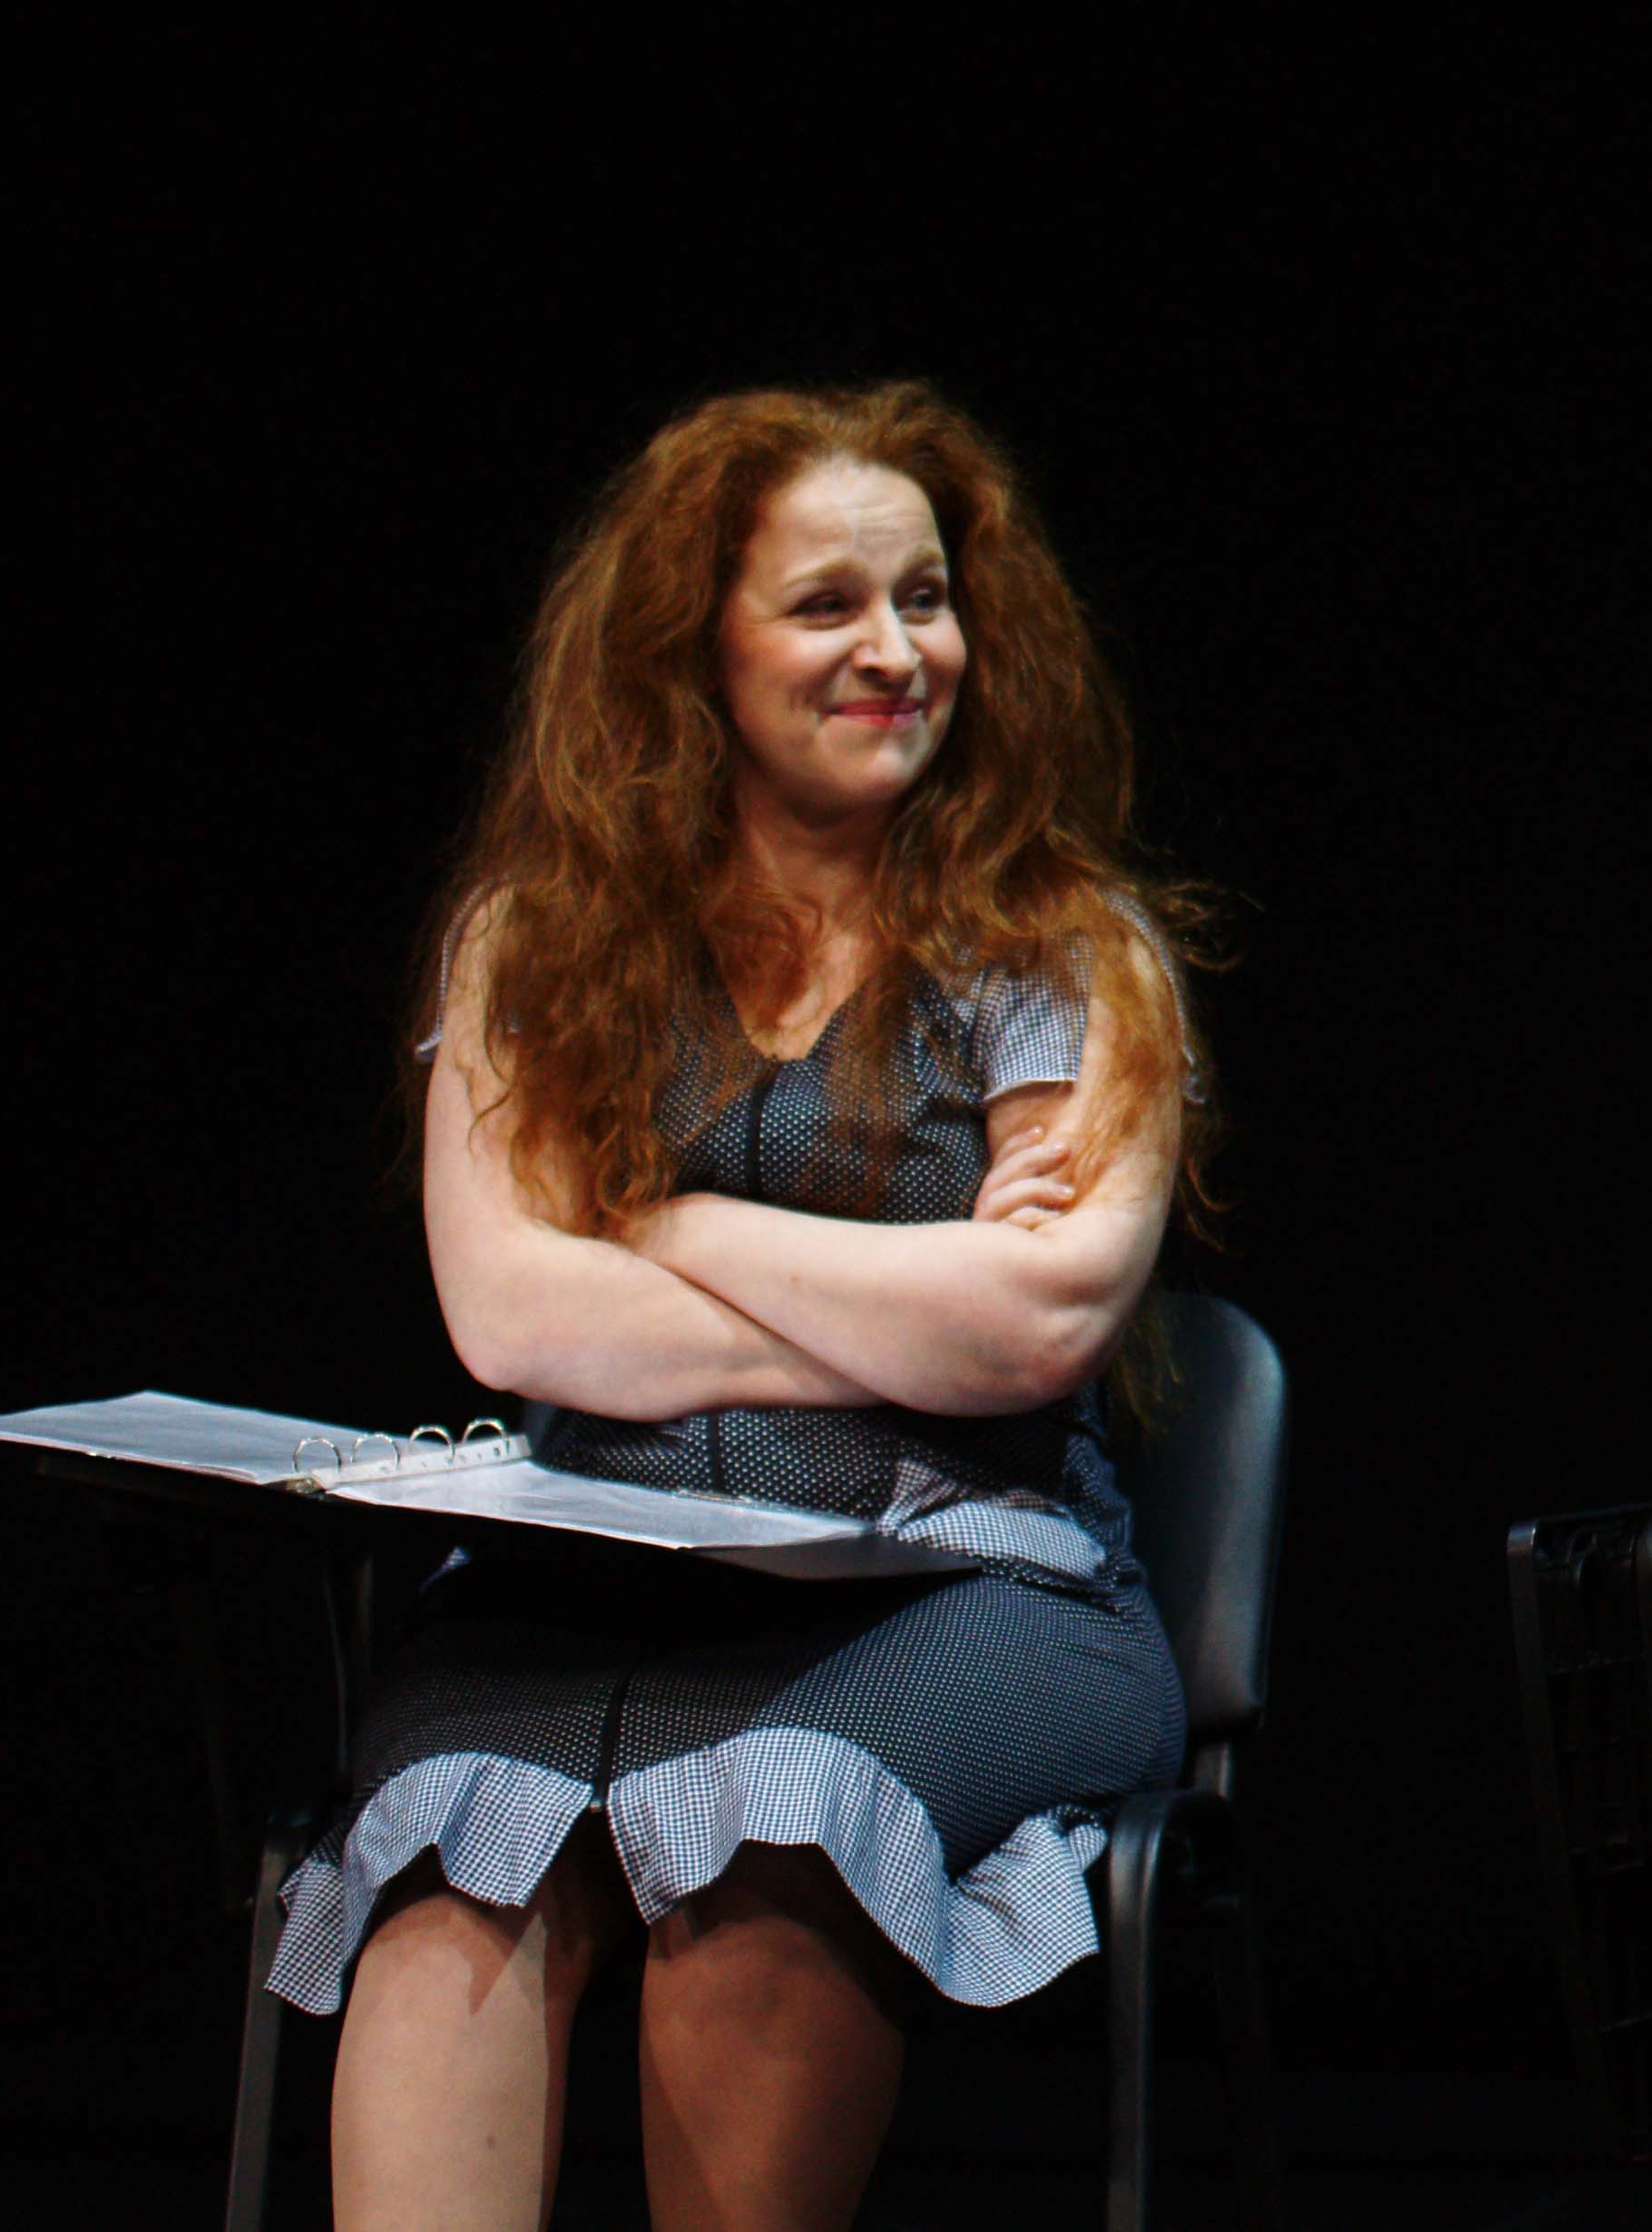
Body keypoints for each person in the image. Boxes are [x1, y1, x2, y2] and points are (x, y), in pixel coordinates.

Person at [274, 382, 1211, 2230]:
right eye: (827, 606)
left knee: (777, 1824)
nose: (897, 653)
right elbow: (515, 1323)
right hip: (591, 1570)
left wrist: (668, 1220)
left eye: (925, 600)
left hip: (969, 1570)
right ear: (690, 650)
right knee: (460, 1849)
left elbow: (1032, 1333)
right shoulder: (542, 943)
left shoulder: (1061, 949)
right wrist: (900, 1303)